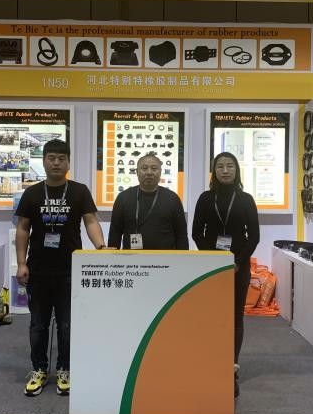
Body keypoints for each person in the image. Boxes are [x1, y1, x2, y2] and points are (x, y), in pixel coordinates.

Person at [15, 139, 106, 397]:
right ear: (44, 161)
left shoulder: (79, 191)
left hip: (70, 270)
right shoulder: (32, 193)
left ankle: (65, 369)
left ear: (68, 162)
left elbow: (91, 221)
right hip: (38, 270)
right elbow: (23, 229)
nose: (56, 163)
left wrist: (101, 247)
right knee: (38, 325)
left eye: (61, 159)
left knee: (67, 325)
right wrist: (21, 263)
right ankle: (39, 369)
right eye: (52, 158)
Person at [191, 152, 260, 397]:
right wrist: (213, 260)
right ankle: (212, 363)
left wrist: (237, 261)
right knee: (212, 316)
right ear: (214, 171)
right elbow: (197, 232)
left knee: (235, 317)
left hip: (238, 267)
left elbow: (254, 236)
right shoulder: (205, 198)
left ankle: (232, 368)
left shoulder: (246, 200)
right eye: (220, 166)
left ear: (236, 170)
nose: (225, 170)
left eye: (230, 166)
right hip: (210, 268)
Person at [108, 153, 188, 250]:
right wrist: (111, 257)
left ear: (160, 172)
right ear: (137, 172)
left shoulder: (172, 198)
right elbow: (115, 233)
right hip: (131, 258)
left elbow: (181, 234)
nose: (149, 172)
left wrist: (183, 257)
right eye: (144, 168)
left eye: (154, 168)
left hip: (166, 258)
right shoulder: (123, 198)